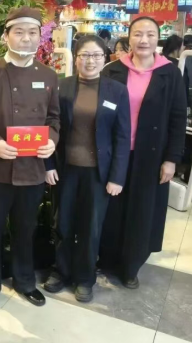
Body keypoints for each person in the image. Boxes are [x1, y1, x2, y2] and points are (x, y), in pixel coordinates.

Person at [0, 7, 59, 312]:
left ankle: (25, 281)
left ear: (40, 37)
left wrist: (51, 141)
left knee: (26, 228)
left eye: (32, 32)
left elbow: (54, 118)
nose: (26, 38)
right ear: (6, 36)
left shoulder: (48, 76)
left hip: (32, 168)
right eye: (19, 32)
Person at [99, 16, 187, 288]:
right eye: (138, 34)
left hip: (151, 155)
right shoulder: (113, 70)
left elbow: (177, 119)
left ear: (158, 38)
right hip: (116, 153)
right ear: (129, 37)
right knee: (113, 207)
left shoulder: (170, 73)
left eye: (150, 34)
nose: (144, 40)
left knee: (142, 210)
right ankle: (107, 259)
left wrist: (171, 159)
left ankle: (131, 266)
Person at [43, 35, 131, 302]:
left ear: (105, 58)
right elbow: (50, 127)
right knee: (63, 223)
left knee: (91, 227)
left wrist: (117, 177)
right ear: (76, 58)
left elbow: (122, 137)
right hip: (66, 169)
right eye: (84, 55)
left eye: (96, 56)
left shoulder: (117, 91)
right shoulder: (62, 87)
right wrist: (48, 165)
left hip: (99, 173)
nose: (90, 61)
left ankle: (85, 277)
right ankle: (61, 271)